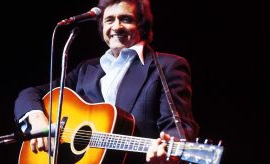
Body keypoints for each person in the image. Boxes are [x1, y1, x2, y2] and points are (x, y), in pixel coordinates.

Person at [14, 0, 199, 163]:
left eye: (125, 19)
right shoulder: (86, 69)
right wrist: (37, 120)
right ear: (102, 27)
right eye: (109, 20)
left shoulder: (166, 65)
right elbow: (29, 94)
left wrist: (169, 152)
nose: (116, 27)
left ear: (141, 26)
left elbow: (178, 127)